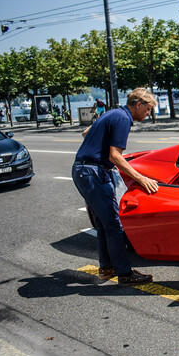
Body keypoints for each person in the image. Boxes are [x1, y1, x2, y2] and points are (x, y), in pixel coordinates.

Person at [72, 88, 159, 285]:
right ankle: (125, 273)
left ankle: (106, 268)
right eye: (148, 109)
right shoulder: (123, 119)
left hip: (85, 171)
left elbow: (86, 132)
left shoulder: (112, 113)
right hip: (93, 173)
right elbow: (115, 156)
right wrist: (141, 178)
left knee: (104, 224)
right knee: (114, 225)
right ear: (138, 104)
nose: (149, 113)